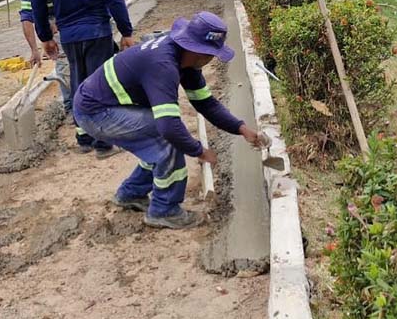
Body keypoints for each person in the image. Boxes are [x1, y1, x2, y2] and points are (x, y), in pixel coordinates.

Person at [73, 12, 268, 229]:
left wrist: (241, 128)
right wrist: (199, 151)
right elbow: (169, 127)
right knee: (168, 139)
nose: (212, 58)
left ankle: (131, 194)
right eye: (212, 53)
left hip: (106, 105)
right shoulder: (163, 65)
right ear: (197, 51)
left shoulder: (186, 60)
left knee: (155, 143)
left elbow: (207, 104)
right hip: (96, 112)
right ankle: (164, 210)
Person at [30, 0, 135, 159]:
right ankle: (102, 142)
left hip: (69, 35)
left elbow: (37, 4)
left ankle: (84, 136)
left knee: (78, 80)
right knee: (100, 82)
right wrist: (126, 31)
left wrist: (45, 38)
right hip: (97, 29)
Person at [19, 0, 71, 112]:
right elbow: (27, 15)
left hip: (70, 16)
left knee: (75, 60)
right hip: (48, 17)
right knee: (63, 62)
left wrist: (59, 22)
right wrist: (34, 49)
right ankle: (71, 105)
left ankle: (80, 102)